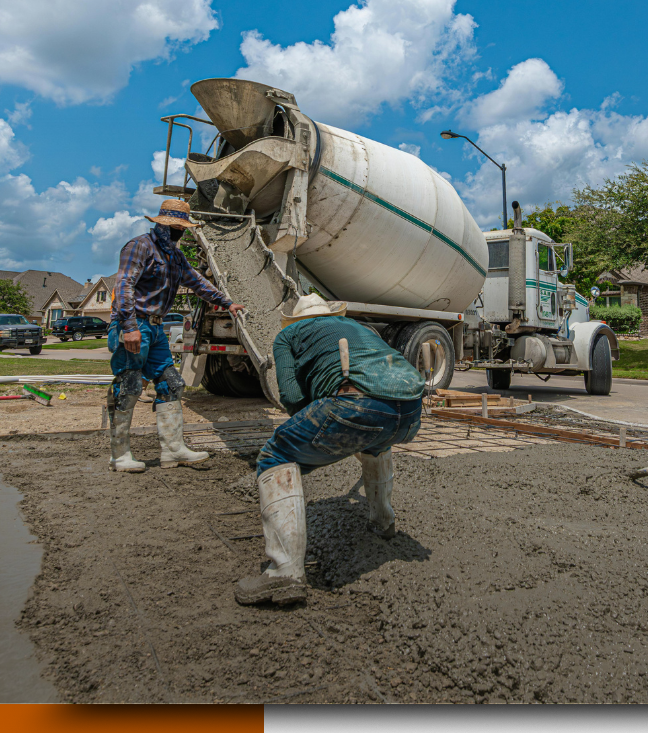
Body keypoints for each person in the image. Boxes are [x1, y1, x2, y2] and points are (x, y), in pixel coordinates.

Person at [234, 295, 427, 606]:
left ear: (297, 319)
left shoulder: (288, 335)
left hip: (356, 405)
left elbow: (291, 394)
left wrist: (317, 426)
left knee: (275, 454)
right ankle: (383, 523)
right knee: (375, 446)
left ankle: (284, 572)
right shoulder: (358, 326)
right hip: (410, 412)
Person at [107, 198, 244, 473]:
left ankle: (173, 450)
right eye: (176, 227)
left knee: (172, 383)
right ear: (163, 225)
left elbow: (196, 281)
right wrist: (130, 327)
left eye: (182, 227)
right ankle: (119, 456)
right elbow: (124, 285)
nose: (180, 232)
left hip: (156, 329)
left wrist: (227, 302)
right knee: (130, 385)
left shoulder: (176, 257)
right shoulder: (140, 246)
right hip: (135, 325)